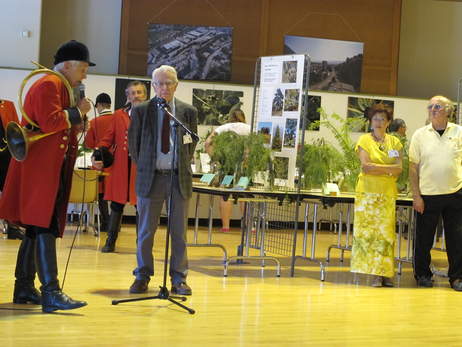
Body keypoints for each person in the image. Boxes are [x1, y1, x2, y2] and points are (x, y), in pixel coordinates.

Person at [0, 40, 92, 312]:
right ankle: (51, 292)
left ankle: (25, 287)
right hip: (40, 167)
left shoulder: (57, 86)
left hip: (45, 166)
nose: (85, 74)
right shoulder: (49, 84)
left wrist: (77, 116)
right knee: (44, 225)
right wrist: (79, 112)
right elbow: (51, 121)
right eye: (83, 68)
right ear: (67, 65)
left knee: (35, 227)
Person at [127, 65, 198, 295]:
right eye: (160, 83)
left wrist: (179, 163)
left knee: (179, 232)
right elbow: (134, 147)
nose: (165, 87)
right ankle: (142, 275)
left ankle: (179, 278)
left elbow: (191, 142)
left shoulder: (188, 112)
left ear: (176, 85)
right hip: (151, 179)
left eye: (169, 83)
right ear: (153, 86)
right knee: (146, 231)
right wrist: (150, 166)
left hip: (178, 180)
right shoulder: (141, 111)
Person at [409, 95, 462, 291]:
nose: (432, 109)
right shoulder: (420, 135)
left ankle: (456, 278)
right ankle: (422, 275)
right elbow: (413, 167)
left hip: (455, 193)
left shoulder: (459, 132)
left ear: (448, 111)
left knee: (457, 239)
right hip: (427, 195)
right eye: (430, 106)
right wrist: (416, 195)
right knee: (423, 238)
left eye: (437, 106)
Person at [350, 104, 403, 287]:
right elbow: (365, 166)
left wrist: (377, 168)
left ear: (388, 122)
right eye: (375, 119)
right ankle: (373, 274)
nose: (378, 122)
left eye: (382, 119)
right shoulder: (364, 140)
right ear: (371, 122)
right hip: (367, 193)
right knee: (368, 234)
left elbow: (399, 169)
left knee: (386, 235)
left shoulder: (394, 143)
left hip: (387, 193)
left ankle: (386, 273)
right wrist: (387, 169)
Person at [94, 82, 147, 252]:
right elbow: (107, 138)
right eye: (132, 93)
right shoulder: (118, 115)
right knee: (116, 205)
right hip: (121, 167)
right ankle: (110, 241)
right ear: (127, 96)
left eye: (139, 92)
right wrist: (98, 153)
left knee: (142, 207)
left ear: (145, 95)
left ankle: (142, 244)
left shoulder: (152, 115)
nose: (136, 95)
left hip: (142, 167)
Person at [204, 109, 250, 232]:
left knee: (226, 195)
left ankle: (225, 227)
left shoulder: (223, 128)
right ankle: (248, 226)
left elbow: (208, 142)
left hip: (227, 166)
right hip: (244, 167)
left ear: (230, 117)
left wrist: (215, 158)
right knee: (244, 194)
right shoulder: (249, 128)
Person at [84, 92, 112, 232]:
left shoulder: (94, 122)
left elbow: (88, 143)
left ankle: (106, 223)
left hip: (100, 162)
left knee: (101, 194)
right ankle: (115, 224)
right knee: (115, 194)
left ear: (100, 105)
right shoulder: (117, 120)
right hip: (117, 163)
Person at [0, 99, 24, 239]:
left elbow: (16, 129)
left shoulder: (7, 105)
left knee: (9, 191)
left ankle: (12, 227)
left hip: (6, 153)